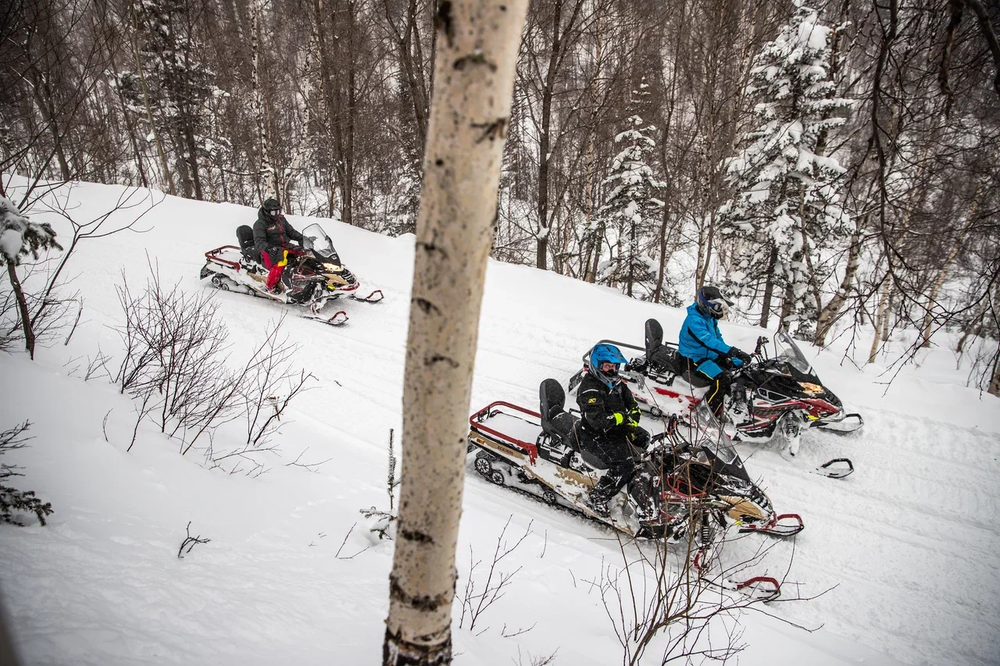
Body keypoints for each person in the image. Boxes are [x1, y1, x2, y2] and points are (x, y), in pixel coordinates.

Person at [576, 343, 651, 516]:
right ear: (597, 365)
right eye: (608, 366)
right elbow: (598, 421)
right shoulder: (590, 389)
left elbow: (632, 405)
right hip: (594, 435)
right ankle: (597, 497)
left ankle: (637, 481)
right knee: (626, 462)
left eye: (614, 366)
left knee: (643, 437)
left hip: (613, 430)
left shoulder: (616, 383)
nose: (612, 370)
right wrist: (622, 418)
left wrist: (632, 420)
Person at [677, 286, 752, 417]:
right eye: (717, 307)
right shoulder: (694, 321)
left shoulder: (709, 319)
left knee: (738, 369)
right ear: (705, 305)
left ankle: (732, 408)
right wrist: (733, 351)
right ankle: (705, 414)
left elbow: (719, 340)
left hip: (708, 356)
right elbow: (709, 341)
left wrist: (735, 358)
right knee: (722, 379)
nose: (719, 310)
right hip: (693, 359)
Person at [252, 197, 304, 293]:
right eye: (273, 212)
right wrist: (269, 248)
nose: (276, 214)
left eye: (278, 211)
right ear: (267, 212)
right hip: (270, 250)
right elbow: (259, 241)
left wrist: (302, 238)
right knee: (281, 262)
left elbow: (291, 232)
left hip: (285, 246)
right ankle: (269, 286)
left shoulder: (281, 219)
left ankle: (304, 280)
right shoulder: (260, 224)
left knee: (304, 254)